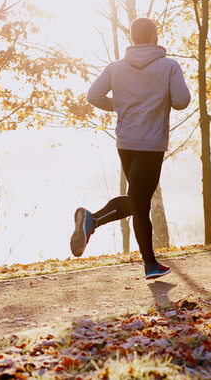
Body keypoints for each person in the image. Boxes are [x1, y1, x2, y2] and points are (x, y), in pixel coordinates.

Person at [70, 17, 191, 280]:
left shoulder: (116, 67)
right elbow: (182, 101)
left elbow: (94, 96)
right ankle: (93, 220)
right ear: (154, 36)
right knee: (139, 200)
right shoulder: (169, 66)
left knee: (139, 202)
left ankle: (150, 264)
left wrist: (122, 104)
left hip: (125, 142)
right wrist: (158, 99)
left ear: (133, 39)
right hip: (150, 144)